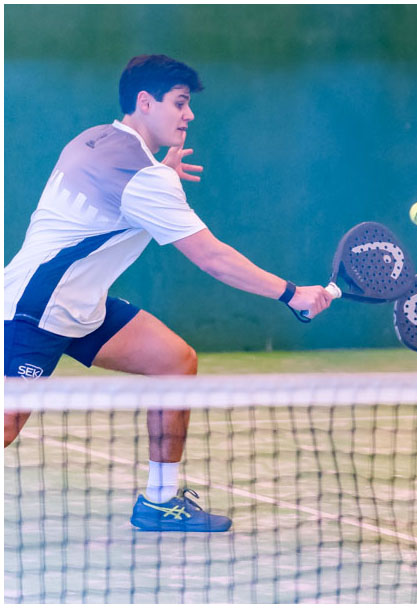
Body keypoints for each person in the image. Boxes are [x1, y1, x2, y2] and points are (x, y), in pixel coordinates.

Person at [4, 54, 334, 531]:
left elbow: (115, 196)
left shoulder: (94, 139)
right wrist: (292, 294)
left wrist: (160, 174)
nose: (189, 114)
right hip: (34, 309)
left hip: (81, 304)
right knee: (7, 426)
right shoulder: (145, 179)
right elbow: (212, 258)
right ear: (145, 101)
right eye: (180, 103)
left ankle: (159, 502)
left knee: (173, 362)